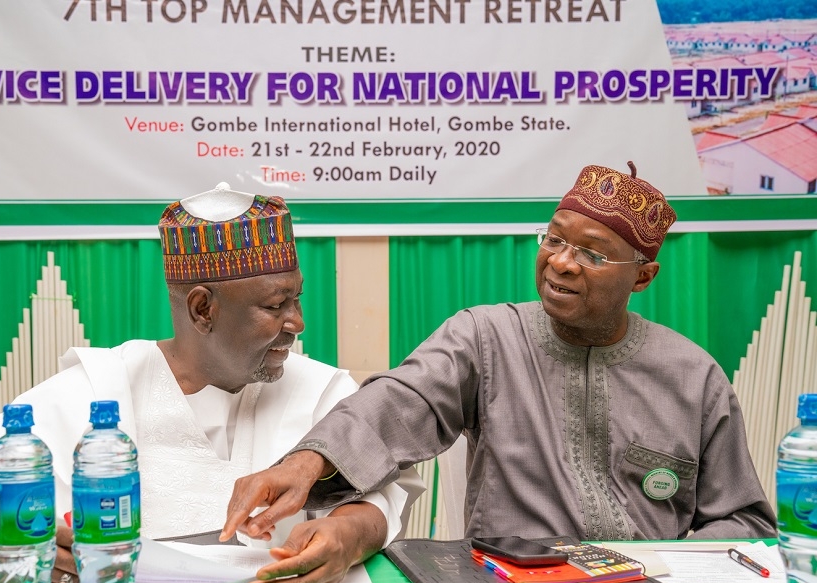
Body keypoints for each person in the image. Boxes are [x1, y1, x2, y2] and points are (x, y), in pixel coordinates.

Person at [222, 162, 777, 546]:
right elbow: (401, 400)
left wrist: (665, 573)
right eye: (554, 239)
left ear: (643, 277)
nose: (561, 262)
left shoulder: (692, 376)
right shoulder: (486, 338)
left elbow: (745, 524)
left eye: (592, 253)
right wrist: (306, 462)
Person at [0, 184, 423, 583]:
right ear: (202, 309)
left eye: (297, 298)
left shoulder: (322, 390)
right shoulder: (96, 391)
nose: (298, 323)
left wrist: (349, 535)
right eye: (276, 305)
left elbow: (383, 491)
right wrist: (25, 553)